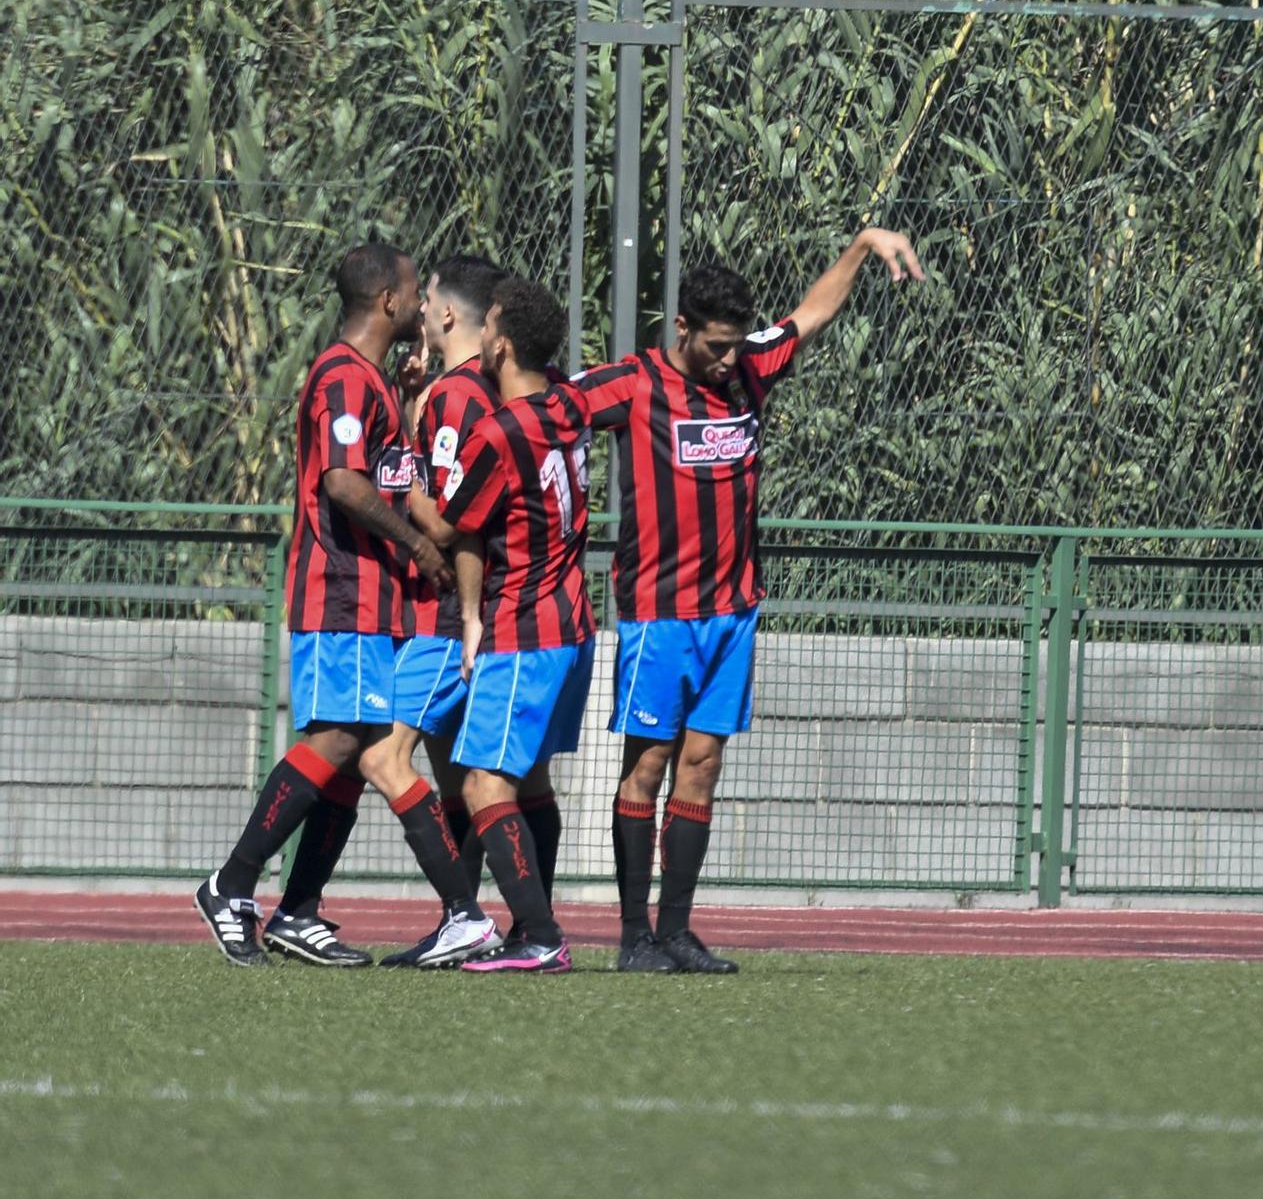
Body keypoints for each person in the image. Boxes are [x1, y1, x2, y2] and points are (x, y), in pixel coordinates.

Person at [571, 228, 924, 973]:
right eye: (717, 345)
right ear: (683, 330)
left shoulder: (751, 370)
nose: (731, 359)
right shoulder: (632, 383)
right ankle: (633, 936)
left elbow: (811, 315)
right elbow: (545, 412)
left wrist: (863, 245)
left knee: (701, 766)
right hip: (658, 615)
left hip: (732, 614)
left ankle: (676, 931)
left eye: (738, 344)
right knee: (649, 763)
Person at [192, 243, 498, 967]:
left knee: (358, 750)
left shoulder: (372, 381)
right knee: (338, 740)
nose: (423, 303)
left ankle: (298, 910)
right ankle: (231, 884)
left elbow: (381, 466)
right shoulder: (339, 376)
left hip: (371, 600)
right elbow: (343, 483)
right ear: (389, 302)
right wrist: (420, 549)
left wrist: (407, 395)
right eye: (414, 291)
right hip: (339, 590)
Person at [433, 274, 598, 974]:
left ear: (499, 346)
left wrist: (400, 477)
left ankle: (538, 932)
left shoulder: (499, 433)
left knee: (480, 786)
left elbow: (451, 524)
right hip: (573, 622)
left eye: (490, 326)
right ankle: (538, 923)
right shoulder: (568, 404)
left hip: (525, 625)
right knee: (529, 783)